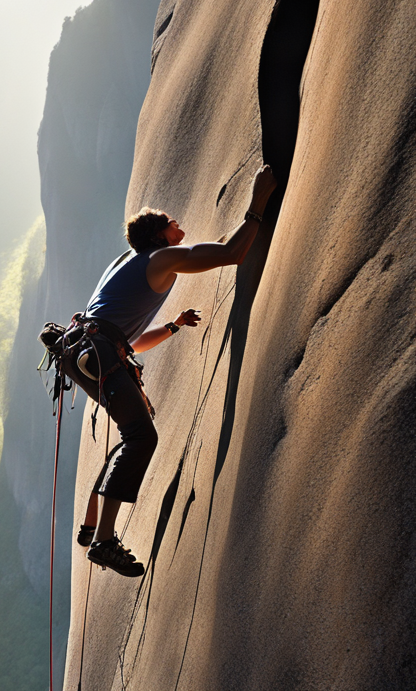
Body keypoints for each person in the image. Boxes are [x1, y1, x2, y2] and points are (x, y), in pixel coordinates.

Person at [61, 164, 277, 576]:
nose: (180, 225)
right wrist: (258, 201)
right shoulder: (161, 258)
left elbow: (131, 342)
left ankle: (93, 527)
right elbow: (231, 253)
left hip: (89, 352)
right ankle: (103, 539)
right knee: (141, 436)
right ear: (160, 235)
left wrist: (174, 325)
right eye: (173, 223)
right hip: (98, 352)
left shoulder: (129, 262)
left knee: (134, 435)